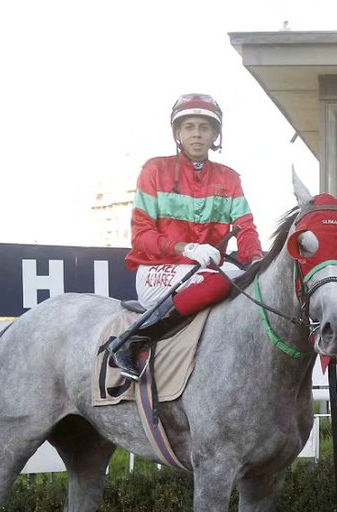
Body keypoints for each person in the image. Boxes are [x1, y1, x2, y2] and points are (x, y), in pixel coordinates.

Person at [110, 93, 263, 379]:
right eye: (189, 126)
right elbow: (141, 236)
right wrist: (186, 248)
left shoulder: (229, 178)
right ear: (178, 133)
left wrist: (256, 259)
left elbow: (246, 228)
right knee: (219, 280)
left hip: (207, 269)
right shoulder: (154, 170)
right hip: (157, 269)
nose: (197, 134)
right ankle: (132, 339)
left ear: (215, 134)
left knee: (252, 283)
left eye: (204, 127)